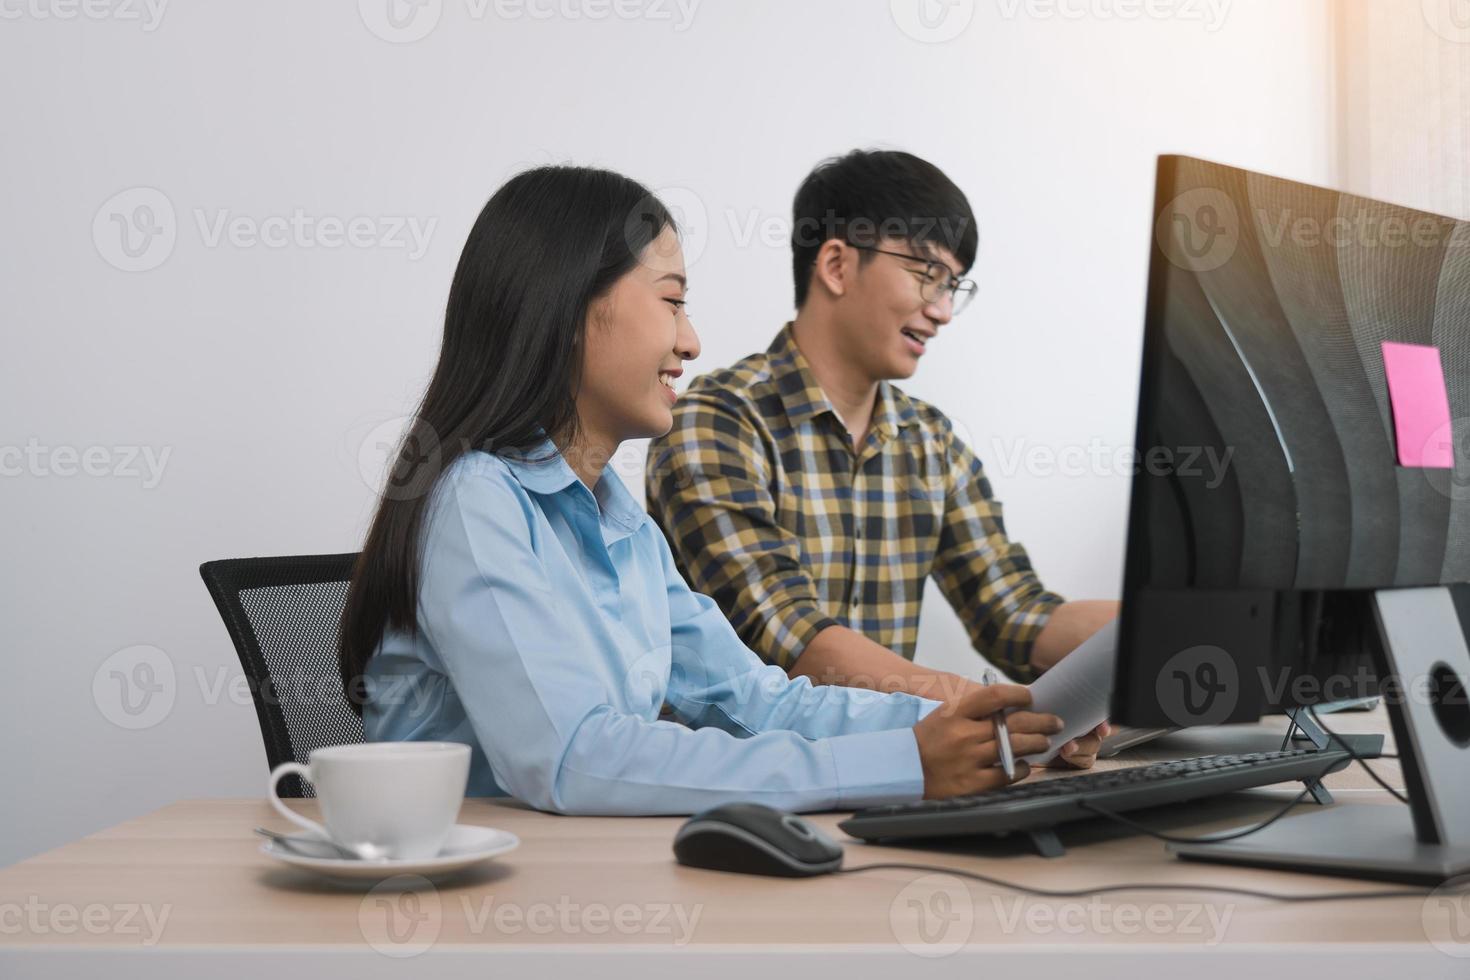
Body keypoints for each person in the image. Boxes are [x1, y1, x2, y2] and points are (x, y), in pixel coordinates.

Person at [336, 165, 1066, 815]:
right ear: (568, 308)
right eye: (672, 302)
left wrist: (973, 729)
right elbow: (570, 760)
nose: (691, 341)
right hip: (477, 912)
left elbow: (755, 699)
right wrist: (904, 763)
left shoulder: (625, 530)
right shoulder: (477, 501)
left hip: (582, 889)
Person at [646, 149, 1115, 767]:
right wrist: (996, 715)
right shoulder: (717, 418)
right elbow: (790, 637)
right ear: (837, 264)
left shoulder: (931, 442)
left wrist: (1172, 629)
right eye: (926, 273)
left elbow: (1018, 613)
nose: (943, 309)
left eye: (953, 285)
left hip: (909, 780)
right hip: (747, 789)